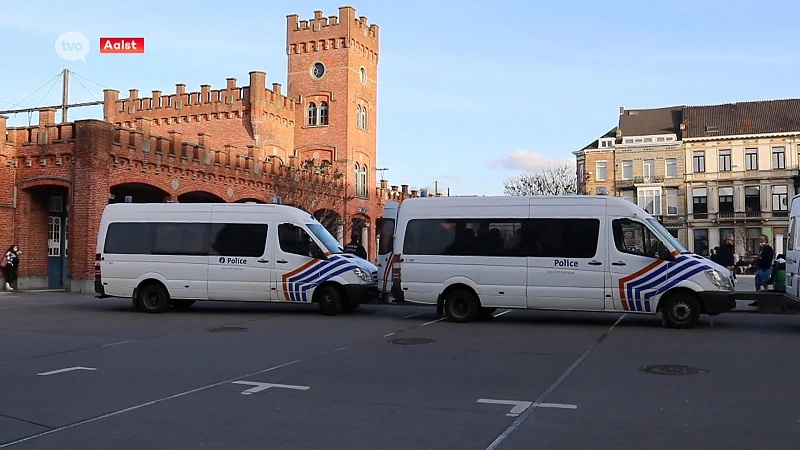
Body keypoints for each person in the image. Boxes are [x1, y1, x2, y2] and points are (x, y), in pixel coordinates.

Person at [750, 235, 775, 306]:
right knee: (757, 284)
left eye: (762, 240)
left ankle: (766, 300)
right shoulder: (761, 249)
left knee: (765, 284)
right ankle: (757, 300)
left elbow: (767, 259)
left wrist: (759, 259)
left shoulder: (768, 249)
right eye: (760, 240)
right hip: (760, 268)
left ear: (765, 240)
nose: (760, 241)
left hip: (765, 269)